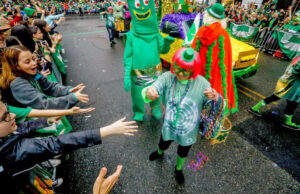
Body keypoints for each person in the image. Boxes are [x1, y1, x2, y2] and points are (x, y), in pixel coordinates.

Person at [0, 100, 138, 187]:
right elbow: (57, 143)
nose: (12, 115)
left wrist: (47, 121)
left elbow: (23, 128)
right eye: (5, 116)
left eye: (8, 110)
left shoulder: (4, 137)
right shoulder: (8, 153)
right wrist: (107, 130)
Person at [144, 48, 222, 184]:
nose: (179, 74)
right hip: (169, 125)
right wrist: (151, 90)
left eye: (185, 70)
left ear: (194, 70)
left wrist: (215, 96)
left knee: (183, 150)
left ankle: (179, 168)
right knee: (163, 141)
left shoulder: (203, 84)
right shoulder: (168, 77)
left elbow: (213, 106)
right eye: (178, 68)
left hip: (189, 130)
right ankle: (160, 152)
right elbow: (156, 85)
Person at [124, 0, 174, 121]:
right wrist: (126, 75)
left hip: (155, 72)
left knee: (156, 93)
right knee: (137, 96)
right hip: (137, 74)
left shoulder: (156, 35)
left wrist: (166, 43)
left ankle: (156, 109)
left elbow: (162, 50)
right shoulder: (131, 36)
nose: (142, 9)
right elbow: (128, 57)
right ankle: (138, 111)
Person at [0, 46, 89, 109]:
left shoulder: (33, 73)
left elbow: (50, 87)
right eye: (27, 62)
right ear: (15, 66)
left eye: (32, 59)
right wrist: (73, 98)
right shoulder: (18, 84)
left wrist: (69, 90)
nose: (34, 63)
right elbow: (43, 104)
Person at [249, 54, 300, 131]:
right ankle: (254, 108)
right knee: (289, 102)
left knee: (290, 103)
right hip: (290, 85)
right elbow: (297, 70)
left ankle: (255, 108)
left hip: (289, 83)